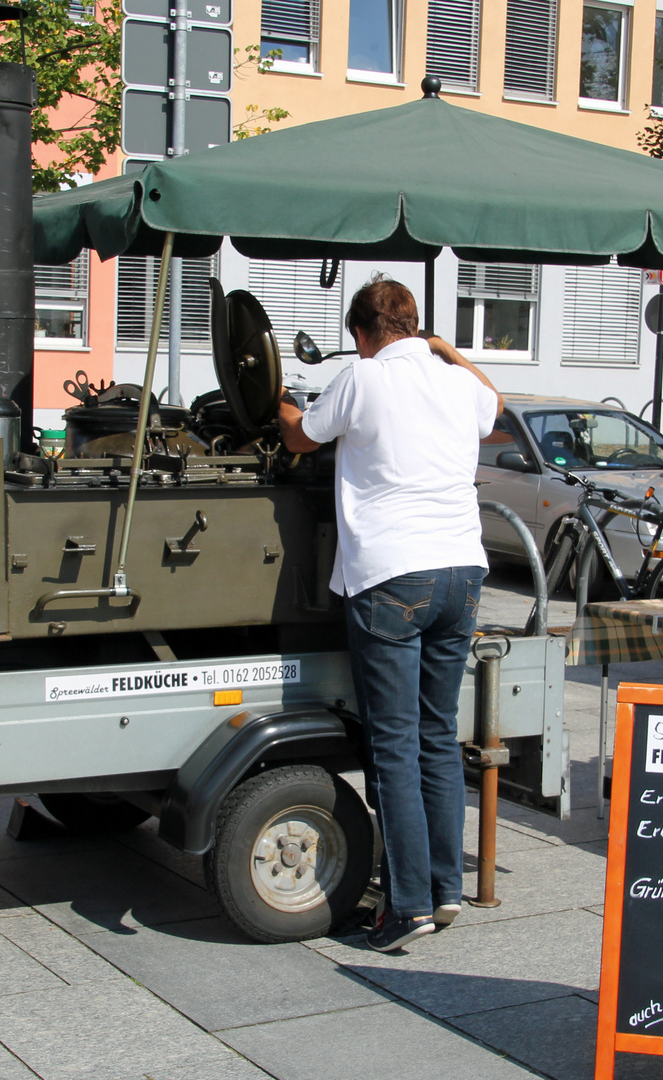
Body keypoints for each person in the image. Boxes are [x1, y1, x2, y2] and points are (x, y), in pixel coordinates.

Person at [277, 275, 503, 952]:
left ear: (360, 333)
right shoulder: (458, 385)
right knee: (437, 736)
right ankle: (443, 888)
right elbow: (494, 399)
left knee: (394, 744)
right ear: (416, 328)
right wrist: (447, 349)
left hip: (391, 576)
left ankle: (405, 905)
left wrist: (280, 402)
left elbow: (300, 440)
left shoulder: (363, 377)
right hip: (462, 572)